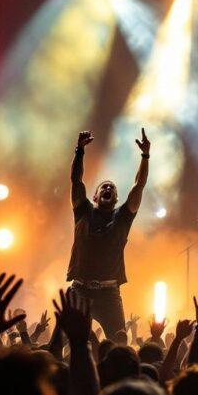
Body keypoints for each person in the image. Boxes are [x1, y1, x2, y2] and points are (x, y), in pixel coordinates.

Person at [66, 129, 150, 340]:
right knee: (65, 340)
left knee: (119, 341)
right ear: (95, 195)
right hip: (79, 290)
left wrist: (145, 156)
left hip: (108, 294)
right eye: (104, 186)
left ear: (115, 198)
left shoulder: (123, 216)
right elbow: (76, 181)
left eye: (111, 188)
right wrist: (80, 151)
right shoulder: (83, 211)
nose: (108, 188)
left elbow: (139, 185)